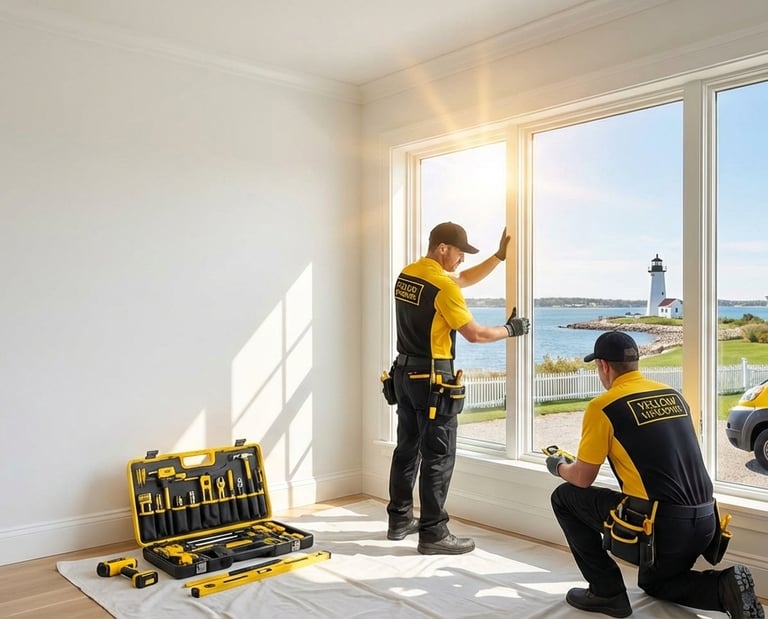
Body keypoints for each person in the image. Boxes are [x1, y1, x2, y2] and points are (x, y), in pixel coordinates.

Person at [546, 331, 765, 618]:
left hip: (660, 529)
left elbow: (583, 478)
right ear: (636, 362)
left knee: (564, 496)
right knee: (655, 583)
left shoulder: (604, 406)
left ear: (603, 365)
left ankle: (606, 592)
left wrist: (558, 465)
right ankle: (725, 587)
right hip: (706, 524)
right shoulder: (673, 396)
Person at [386, 221, 530, 555]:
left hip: (404, 375)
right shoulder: (443, 286)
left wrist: (498, 257)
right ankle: (434, 533)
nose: (462, 260)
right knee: (438, 455)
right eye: (460, 253)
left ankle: (399, 520)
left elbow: (461, 280)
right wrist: (511, 329)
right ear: (442, 249)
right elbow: (475, 334)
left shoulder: (408, 275)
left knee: (406, 449)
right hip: (433, 380)